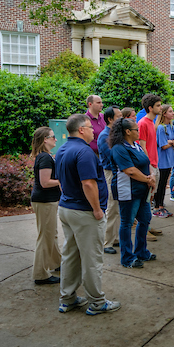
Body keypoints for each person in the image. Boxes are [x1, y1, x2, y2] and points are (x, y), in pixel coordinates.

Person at [56, 114, 120, 315]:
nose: (94, 130)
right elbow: (88, 183)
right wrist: (97, 209)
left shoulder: (63, 149)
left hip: (67, 208)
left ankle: (67, 298)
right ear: (81, 130)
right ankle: (97, 302)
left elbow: (61, 180)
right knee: (92, 258)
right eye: (90, 127)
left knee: (70, 255)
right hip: (84, 212)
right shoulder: (84, 152)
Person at [109, 118, 158, 268]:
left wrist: (151, 177)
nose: (139, 132)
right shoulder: (119, 148)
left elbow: (146, 162)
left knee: (145, 220)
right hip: (128, 192)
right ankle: (127, 258)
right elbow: (129, 170)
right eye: (136, 129)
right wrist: (147, 180)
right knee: (127, 223)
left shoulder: (135, 145)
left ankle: (141, 251)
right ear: (128, 131)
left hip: (142, 190)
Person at [30, 127, 62, 285]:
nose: (55, 139)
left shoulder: (45, 156)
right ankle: (40, 274)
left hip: (46, 200)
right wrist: (62, 181)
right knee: (45, 236)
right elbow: (45, 182)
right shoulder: (45, 158)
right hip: (44, 201)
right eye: (53, 137)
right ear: (45, 139)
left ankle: (57, 263)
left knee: (51, 234)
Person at [98, 105, 123, 254]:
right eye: (119, 117)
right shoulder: (104, 136)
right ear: (110, 119)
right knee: (112, 207)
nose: (121, 119)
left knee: (117, 207)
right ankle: (106, 242)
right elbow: (113, 156)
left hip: (118, 173)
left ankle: (114, 238)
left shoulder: (115, 134)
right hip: (110, 173)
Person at [154, 105, 174, 217]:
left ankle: (161, 206)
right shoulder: (160, 127)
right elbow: (163, 145)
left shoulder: (171, 126)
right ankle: (157, 206)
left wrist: (170, 142)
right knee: (160, 184)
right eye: (170, 111)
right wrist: (171, 142)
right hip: (162, 161)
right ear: (164, 113)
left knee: (164, 183)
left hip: (169, 160)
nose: (173, 113)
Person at [137, 94, 162, 212]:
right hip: (149, 165)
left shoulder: (152, 122)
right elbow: (142, 147)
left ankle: (147, 224)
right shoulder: (143, 123)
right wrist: (149, 168)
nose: (161, 107)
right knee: (146, 198)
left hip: (154, 164)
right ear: (150, 108)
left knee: (151, 197)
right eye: (158, 105)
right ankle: (144, 226)